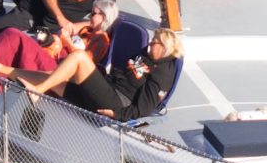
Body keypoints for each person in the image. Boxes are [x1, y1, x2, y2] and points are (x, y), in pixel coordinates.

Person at [22, 26, 182, 124]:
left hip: (118, 103)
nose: (150, 44)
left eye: (154, 42)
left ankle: (38, 91)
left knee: (79, 57)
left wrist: (117, 114)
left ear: (164, 47)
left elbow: (145, 108)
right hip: (109, 89)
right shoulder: (146, 55)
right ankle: (7, 72)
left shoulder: (163, 74)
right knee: (52, 77)